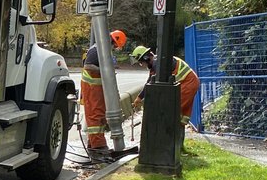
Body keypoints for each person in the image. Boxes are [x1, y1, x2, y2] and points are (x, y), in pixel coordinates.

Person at [131, 45, 201, 134]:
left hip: (188, 83)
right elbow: (149, 83)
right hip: (189, 82)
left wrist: (140, 98)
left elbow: (152, 85)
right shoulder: (158, 62)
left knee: (172, 109)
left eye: (141, 62)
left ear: (146, 58)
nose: (141, 65)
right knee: (181, 114)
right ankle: (177, 134)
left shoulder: (158, 65)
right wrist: (139, 98)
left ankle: (168, 135)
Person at [81, 29, 126, 163]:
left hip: (96, 89)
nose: (114, 48)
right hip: (92, 89)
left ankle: (94, 146)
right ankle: (99, 148)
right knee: (95, 117)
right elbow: (88, 66)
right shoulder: (97, 50)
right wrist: (105, 70)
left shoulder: (103, 50)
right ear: (113, 42)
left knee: (98, 116)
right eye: (115, 46)